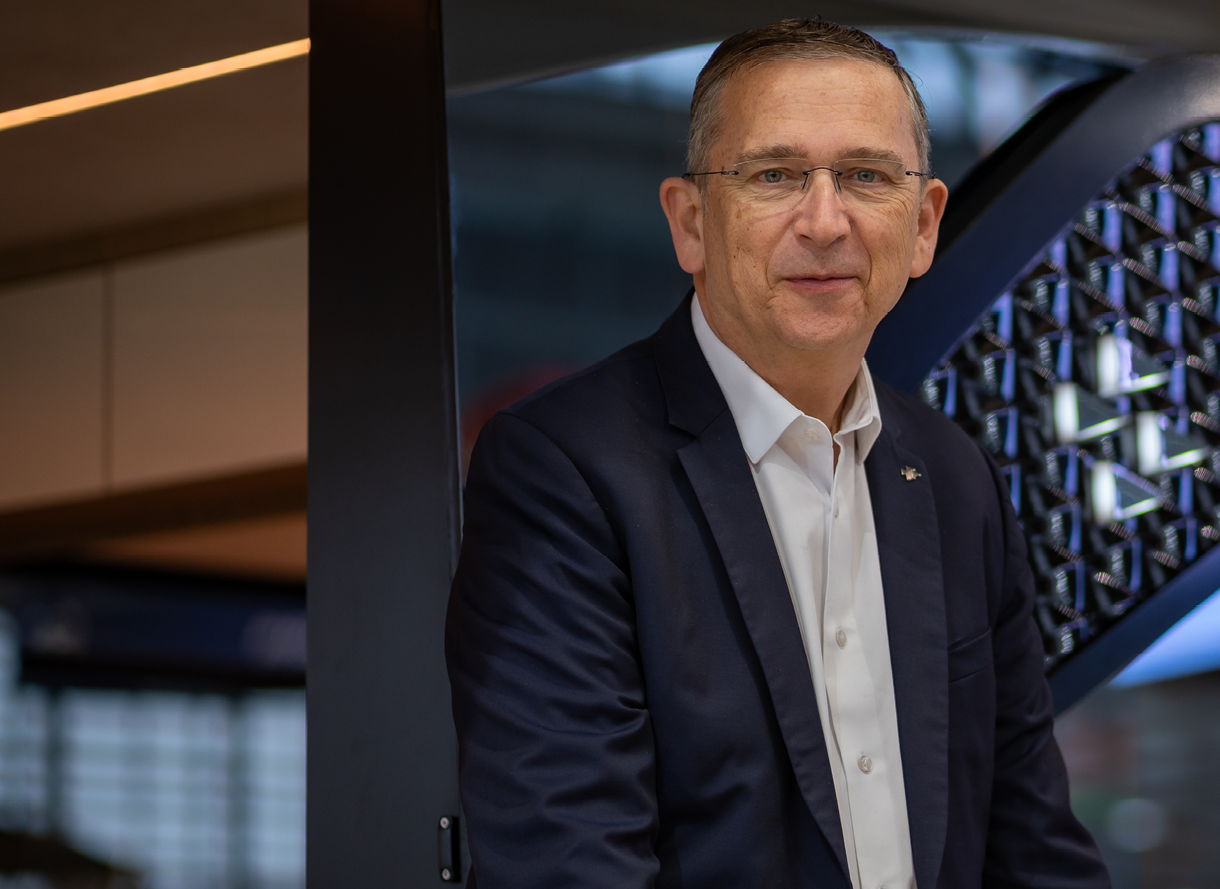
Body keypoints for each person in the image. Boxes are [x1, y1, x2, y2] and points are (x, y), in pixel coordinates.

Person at [445, 19, 1110, 889]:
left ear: (922, 225)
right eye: (773, 176)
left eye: (866, 176)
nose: (825, 222)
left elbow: (1036, 849)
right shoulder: (562, 471)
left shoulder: (957, 478)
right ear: (690, 222)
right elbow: (568, 865)